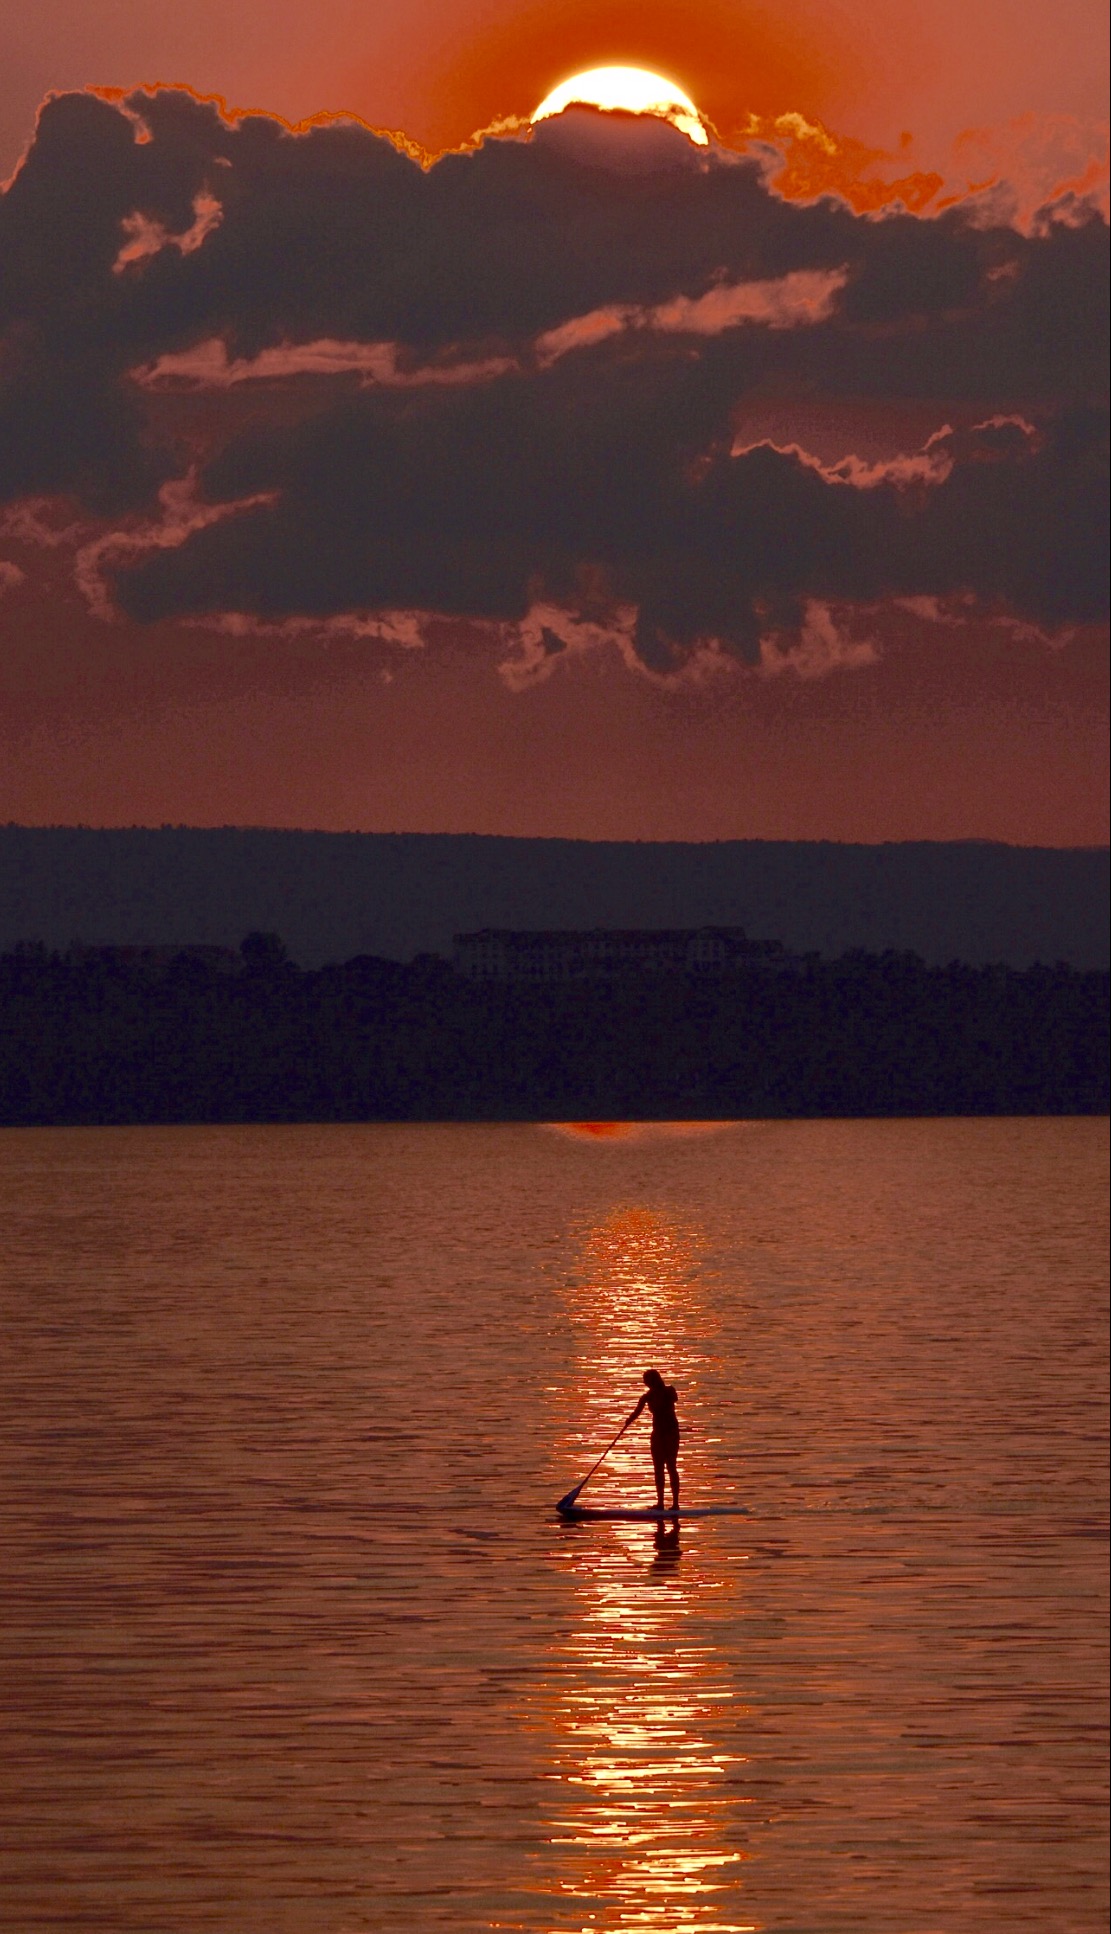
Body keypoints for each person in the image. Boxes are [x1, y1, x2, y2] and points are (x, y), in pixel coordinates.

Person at [631, 1368, 680, 1510]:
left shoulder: (669, 1391)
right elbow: (637, 1412)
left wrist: (653, 1396)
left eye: (646, 1380)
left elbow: (672, 1399)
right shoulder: (647, 1397)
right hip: (657, 1434)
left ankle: (675, 1504)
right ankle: (660, 1503)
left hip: (671, 1433)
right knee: (658, 1469)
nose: (644, 1383)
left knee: (671, 1466)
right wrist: (628, 1421)